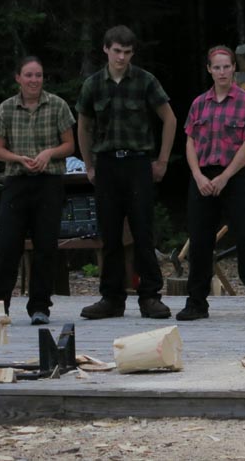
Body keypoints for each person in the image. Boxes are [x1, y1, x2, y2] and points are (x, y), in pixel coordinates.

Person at [77, 25, 176, 320]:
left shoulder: (145, 81)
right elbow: (83, 125)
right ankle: (111, 298)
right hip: (106, 164)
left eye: (127, 52)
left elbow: (169, 119)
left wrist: (162, 161)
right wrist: (89, 164)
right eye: (117, 51)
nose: (121, 57)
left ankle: (150, 297)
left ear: (133, 53)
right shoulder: (93, 84)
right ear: (106, 49)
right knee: (109, 234)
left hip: (137, 163)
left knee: (143, 231)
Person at [176, 45, 245, 321]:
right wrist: (198, 176)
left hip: (236, 175)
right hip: (203, 176)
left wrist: (225, 176)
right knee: (200, 240)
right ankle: (196, 303)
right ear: (209, 70)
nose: (222, 72)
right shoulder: (198, 104)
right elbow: (190, 141)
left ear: (233, 69)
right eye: (216, 67)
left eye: (226, 66)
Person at [0, 56, 75, 325]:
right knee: (6, 245)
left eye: (38, 75)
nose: (34, 80)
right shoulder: (6, 109)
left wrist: (49, 153)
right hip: (17, 181)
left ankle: (40, 307)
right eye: (29, 75)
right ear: (18, 78)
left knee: (46, 245)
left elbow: (69, 145)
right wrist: (18, 158)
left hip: (49, 182)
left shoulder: (57, 105)